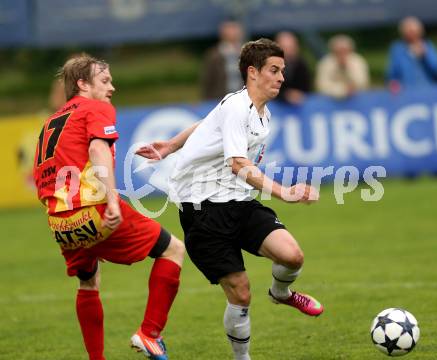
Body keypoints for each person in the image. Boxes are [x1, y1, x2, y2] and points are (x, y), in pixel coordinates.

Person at [137, 39, 323, 360]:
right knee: (241, 293)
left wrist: (170, 144)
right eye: (274, 71)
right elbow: (238, 165)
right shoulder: (239, 107)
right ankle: (242, 358)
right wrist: (285, 192)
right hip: (203, 212)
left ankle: (281, 293)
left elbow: (206, 123)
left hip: (238, 202)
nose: (281, 77)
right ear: (253, 72)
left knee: (292, 255)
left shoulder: (255, 111)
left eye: (282, 71)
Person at [32, 53, 184, 360]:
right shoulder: (96, 107)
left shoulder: (50, 122)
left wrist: (64, 216)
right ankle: (150, 333)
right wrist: (112, 198)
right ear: (83, 84)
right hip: (94, 207)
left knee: (89, 281)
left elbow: (43, 176)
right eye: (105, 80)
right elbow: (98, 148)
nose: (112, 87)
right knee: (173, 250)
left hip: (59, 219)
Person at [387, 16, 437, 92]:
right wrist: (393, 84)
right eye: (409, 31)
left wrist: (425, 55)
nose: (412, 34)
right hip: (406, 92)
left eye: (414, 31)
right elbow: (392, 73)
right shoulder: (397, 49)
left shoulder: (428, 46)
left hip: (429, 90)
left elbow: (436, 69)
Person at [201, 20, 244, 100]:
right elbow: (207, 80)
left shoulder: (246, 52)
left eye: (235, 29)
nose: (234, 32)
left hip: (242, 99)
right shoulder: (214, 55)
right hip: (220, 98)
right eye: (230, 29)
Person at [316, 34, 369, 99]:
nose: (342, 55)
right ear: (333, 51)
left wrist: (347, 68)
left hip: (356, 99)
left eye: (345, 51)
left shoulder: (358, 61)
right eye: (338, 52)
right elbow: (322, 86)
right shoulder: (325, 63)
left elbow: (362, 82)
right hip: (331, 101)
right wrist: (342, 91)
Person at [275, 31, 312, 105]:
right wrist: (285, 95)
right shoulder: (267, 67)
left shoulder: (302, 65)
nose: (288, 52)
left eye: (291, 48)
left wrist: (299, 94)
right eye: (285, 48)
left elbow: (307, 88)